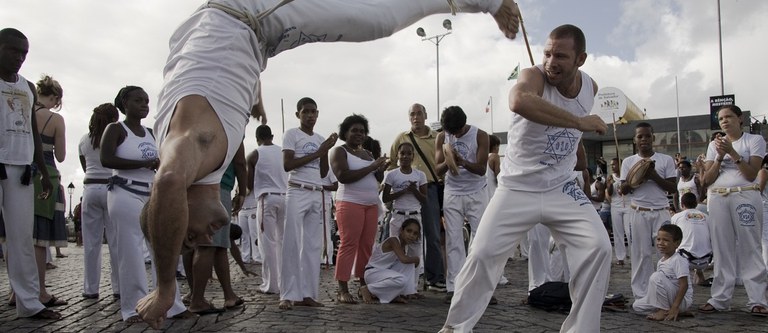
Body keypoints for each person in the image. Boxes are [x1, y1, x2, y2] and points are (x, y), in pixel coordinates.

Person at [139, 2, 520, 325]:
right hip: (245, 33)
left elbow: (169, 180)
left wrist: (165, 288)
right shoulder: (203, 148)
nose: (199, 238)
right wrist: (255, 91)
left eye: (187, 235)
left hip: (247, 15)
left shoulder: (192, 143)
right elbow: (208, 64)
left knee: (378, 19)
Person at [441, 24, 611, 333]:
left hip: (561, 189)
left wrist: (580, 158)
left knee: (599, 246)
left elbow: (571, 140)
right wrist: (578, 122)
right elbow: (519, 101)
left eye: (560, 56)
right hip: (517, 188)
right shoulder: (534, 76)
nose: (550, 62)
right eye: (547, 53)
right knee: (481, 255)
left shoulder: (590, 87)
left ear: (580, 59)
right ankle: (455, 328)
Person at [101, 86, 189, 323]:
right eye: (138, 100)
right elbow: (106, 159)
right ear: (124, 103)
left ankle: (172, 304)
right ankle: (133, 308)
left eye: (147, 101)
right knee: (130, 251)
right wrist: (144, 163)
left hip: (151, 195)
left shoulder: (152, 132)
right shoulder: (116, 129)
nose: (144, 104)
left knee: (161, 250)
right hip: (124, 192)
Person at [0, 27, 60, 320]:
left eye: (24, 53)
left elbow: (33, 130)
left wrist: (42, 170)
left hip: (22, 169)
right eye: (13, 51)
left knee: (22, 237)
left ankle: (29, 302)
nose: (20, 58)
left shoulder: (27, 87)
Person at [699, 105, 768, 315]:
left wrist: (732, 152)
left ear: (740, 119)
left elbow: (750, 173)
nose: (724, 121)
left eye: (729, 116)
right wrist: (719, 156)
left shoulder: (754, 140)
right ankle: (720, 298)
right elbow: (707, 180)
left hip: (745, 193)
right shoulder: (714, 145)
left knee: (750, 246)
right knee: (721, 248)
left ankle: (758, 299)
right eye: (721, 119)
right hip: (718, 196)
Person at [278, 97, 338, 309]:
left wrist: (326, 150)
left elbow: (323, 172)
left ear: (318, 114)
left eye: (313, 112)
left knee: (313, 246)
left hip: (316, 193)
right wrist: (318, 151)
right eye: (305, 112)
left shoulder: (320, 138)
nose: (310, 115)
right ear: (298, 114)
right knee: (292, 243)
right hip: (297, 190)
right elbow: (287, 164)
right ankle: (287, 293)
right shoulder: (292, 134)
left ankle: (307, 294)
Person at [388, 103, 447, 292]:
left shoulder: (437, 138)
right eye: (412, 114)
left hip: (428, 188)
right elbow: (391, 163)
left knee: (433, 235)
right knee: (398, 235)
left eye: (419, 113)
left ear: (425, 115)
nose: (416, 117)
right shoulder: (402, 138)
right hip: (404, 191)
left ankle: (434, 277)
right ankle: (394, 274)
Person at [330, 114, 388, 304]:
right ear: (345, 132)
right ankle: (342, 288)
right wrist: (372, 166)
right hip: (350, 203)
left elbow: (376, 179)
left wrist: (380, 169)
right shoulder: (339, 151)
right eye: (354, 130)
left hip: (370, 205)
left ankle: (363, 283)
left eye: (362, 131)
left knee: (366, 245)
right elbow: (343, 176)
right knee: (348, 244)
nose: (359, 134)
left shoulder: (367, 153)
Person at [435, 106, 490, 304]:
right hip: (453, 192)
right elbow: (438, 169)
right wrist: (450, 162)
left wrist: (463, 162)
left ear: (463, 125)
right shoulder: (443, 137)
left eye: (456, 132)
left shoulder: (480, 135)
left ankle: (481, 288)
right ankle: (454, 287)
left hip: (476, 191)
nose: (454, 136)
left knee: (481, 240)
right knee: (453, 240)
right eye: (451, 133)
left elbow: (482, 169)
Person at [182, 150, 247, 314]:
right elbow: (239, 161)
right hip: (216, 186)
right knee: (210, 244)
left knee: (198, 244)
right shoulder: (230, 124)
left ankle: (219, 294)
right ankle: (197, 299)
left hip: (191, 184)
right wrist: (243, 191)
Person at [619, 122, 677, 300]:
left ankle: (667, 293)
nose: (644, 139)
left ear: (653, 137)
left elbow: (672, 188)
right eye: (640, 136)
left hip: (661, 211)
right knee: (640, 254)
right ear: (635, 140)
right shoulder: (629, 162)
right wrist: (638, 178)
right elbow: (623, 189)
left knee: (665, 252)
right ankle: (642, 295)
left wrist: (653, 175)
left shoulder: (665, 159)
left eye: (647, 136)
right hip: (638, 212)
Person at [30, 74, 68, 307]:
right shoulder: (54, 119)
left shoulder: (24, 109)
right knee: (39, 237)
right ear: (54, 97)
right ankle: (41, 291)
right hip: (44, 176)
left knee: (17, 236)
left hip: (20, 170)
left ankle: (17, 291)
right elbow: (61, 156)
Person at [79, 103, 121, 300]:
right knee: (115, 242)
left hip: (90, 188)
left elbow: (84, 165)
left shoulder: (84, 140)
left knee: (91, 243)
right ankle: (118, 287)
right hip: (111, 188)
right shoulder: (116, 139)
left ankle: (90, 288)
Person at [382, 142, 427, 295]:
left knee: (415, 252)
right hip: (398, 215)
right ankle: (395, 285)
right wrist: (403, 191)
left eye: (409, 154)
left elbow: (425, 199)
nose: (405, 156)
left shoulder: (420, 175)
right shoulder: (392, 175)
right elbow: (385, 197)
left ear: (413, 156)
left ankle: (412, 288)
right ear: (398, 156)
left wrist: (413, 190)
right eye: (402, 153)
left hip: (414, 215)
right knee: (395, 251)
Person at [247, 124, 287, 295]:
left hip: (267, 198)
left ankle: (271, 284)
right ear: (271, 135)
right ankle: (284, 281)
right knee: (283, 242)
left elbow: (249, 184)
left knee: (267, 242)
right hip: (285, 197)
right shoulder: (283, 151)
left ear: (257, 139)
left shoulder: (255, 153)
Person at [632, 224, 693, 321]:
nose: (661, 243)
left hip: (681, 301)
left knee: (656, 277)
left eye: (666, 240)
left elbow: (684, 285)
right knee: (637, 306)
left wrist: (675, 306)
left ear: (677, 243)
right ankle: (672, 311)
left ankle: (665, 311)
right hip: (669, 298)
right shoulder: (661, 261)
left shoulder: (678, 260)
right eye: (658, 239)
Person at [360, 218, 421, 304]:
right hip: (372, 272)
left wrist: (414, 261)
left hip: (383, 272)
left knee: (409, 264)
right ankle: (368, 289)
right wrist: (417, 259)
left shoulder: (403, 247)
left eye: (415, 234)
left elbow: (409, 264)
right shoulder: (393, 240)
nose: (411, 235)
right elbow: (403, 259)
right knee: (401, 280)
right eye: (408, 231)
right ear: (402, 231)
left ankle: (399, 294)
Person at [671, 192, 712, 287]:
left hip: (686, 260)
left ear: (681, 204)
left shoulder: (676, 217)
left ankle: (679, 281)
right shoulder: (707, 217)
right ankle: (699, 274)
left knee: (671, 241)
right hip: (706, 261)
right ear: (696, 204)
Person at [606, 157, 630, 266]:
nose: (612, 167)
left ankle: (633, 254)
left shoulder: (627, 175)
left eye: (614, 164)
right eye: (611, 165)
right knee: (617, 232)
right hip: (616, 206)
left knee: (629, 231)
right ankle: (620, 257)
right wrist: (610, 184)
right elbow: (610, 193)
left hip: (628, 205)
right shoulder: (610, 177)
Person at [758, 155, 768, 268]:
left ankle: (766, 268)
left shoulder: (763, 172)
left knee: (764, 238)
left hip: (764, 205)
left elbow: (759, 190)